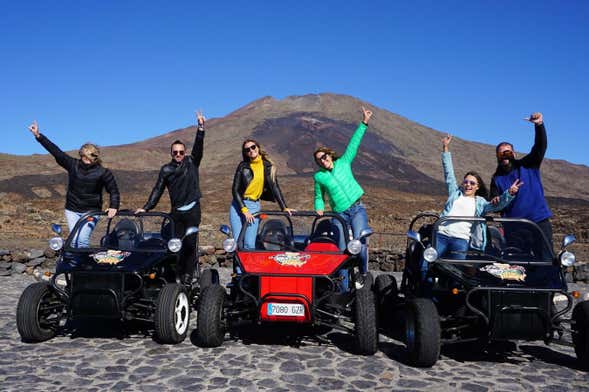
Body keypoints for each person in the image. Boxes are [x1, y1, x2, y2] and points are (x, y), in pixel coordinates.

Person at [135, 111, 206, 285]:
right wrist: (146, 208)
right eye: (175, 152)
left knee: (190, 244)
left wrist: (201, 128)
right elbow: (157, 189)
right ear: (171, 154)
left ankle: (188, 277)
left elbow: (198, 147)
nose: (179, 155)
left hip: (193, 211)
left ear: (185, 152)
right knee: (175, 246)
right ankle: (176, 276)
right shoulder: (166, 170)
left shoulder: (192, 162)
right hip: (176, 213)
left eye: (181, 152)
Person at [28, 121, 120, 247]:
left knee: (82, 240)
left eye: (90, 158)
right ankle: (75, 265)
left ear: (95, 157)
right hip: (72, 210)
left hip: (91, 211)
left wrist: (114, 206)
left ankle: (82, 265)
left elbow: (113, 190)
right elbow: (57, 152)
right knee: (74, 239)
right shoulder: (73, 165)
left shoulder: (103, 172)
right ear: (81, 155)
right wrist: (39, 136)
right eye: (85, 158)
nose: (87, 161)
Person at [433, 134, 522, 262]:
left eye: (472, 183)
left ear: (477, 187)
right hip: (441, 235)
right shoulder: (455, 193)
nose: (468, 185)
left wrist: (509, 193)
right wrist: (445, 148)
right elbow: (449, 174)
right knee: (427, 264)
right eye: (466, 182)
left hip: (461, 239)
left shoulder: (480, 203)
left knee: (457, 272)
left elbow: (497, 205)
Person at [313, 106, 373, 283]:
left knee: (360, 245)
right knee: (341, 251)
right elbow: (318, 196)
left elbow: (354, 143)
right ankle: (343, 287)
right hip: (338, 214)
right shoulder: (319, 176)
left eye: (324, 156)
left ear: (330, 155)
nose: (323, 160)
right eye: (319, 159)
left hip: (356, 208)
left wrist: (364, 122)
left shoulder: (344, 162)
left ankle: (363, 276)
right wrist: (319, 208)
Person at [490, 112, 553, 259]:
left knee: (546, 260)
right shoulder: (496, 178)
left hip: (538, 222)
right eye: (501, 154)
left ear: (514, 153)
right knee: (518, 265)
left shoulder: (528, 165)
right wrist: (498, 199)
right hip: (514, 227)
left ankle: (548, 283)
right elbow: (494, 201)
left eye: (508, 152)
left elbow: (540, 147)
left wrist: (539, 125)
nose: (505, 155)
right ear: (497, 157)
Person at [230, 139, 293, 249]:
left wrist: (284, 207)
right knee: (238, 243)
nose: (251, 150)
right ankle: (238, 267)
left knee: (249, 244)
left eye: (253, 147)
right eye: (247, 149)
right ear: (245, 153)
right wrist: (244, 210)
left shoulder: (268, 167)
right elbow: (235, 190)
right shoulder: (243, 166)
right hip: (238, 205)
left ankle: (248, 266)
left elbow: (275, 187)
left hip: (253, 206)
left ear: (258, 148)